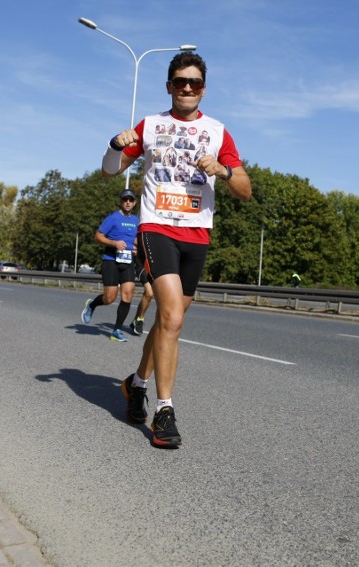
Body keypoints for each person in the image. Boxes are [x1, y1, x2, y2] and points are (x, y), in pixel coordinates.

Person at [101, 52, 252, 448]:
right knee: (169, 317)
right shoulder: (151, 125)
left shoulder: (218, 132)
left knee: (170, 321)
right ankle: (164, 411)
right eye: (180, 82)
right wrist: (115, 144)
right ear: (169, 86)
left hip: (197, 234)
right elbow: (109, 169)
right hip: (157, 228)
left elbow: (245, 191)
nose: (187, 88)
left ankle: (136, 384)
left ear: (204, 88)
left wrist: (225, 170)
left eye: (195, 83)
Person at [80, 189, 139, 342]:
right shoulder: (113, 218)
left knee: (128, 294)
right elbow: (98, 236)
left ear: (134, 203)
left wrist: (136, 247)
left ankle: (116, 330)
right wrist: (113, 243)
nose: (127, 202)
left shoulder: (136, 220)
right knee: (109, 298)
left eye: (130, 200)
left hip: (127, 262)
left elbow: (134, 239)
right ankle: (92, 304)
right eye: (125, 199)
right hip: (111, 260)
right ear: (121, 201)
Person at [129, 252, 154, 336]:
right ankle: (140, 319)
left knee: (148, 295)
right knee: (149, 293)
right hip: (142, 264)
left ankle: (136, 320)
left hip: (155, 264)